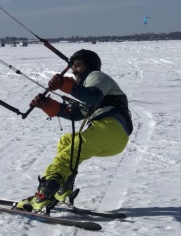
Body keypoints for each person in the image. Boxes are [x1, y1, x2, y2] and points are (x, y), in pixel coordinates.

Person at [16, 49, 133, 213]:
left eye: (77, 66)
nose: (73, 70)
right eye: (72, 66)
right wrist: (47, 105)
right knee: (66, 142)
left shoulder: (97, 77)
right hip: (114, 138)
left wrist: (64, 84)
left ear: (90, 66)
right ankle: (63, 189)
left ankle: (42, 196)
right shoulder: (87, 87)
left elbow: (92, 97)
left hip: (109, 127)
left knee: (66, 156)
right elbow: (76, 113)